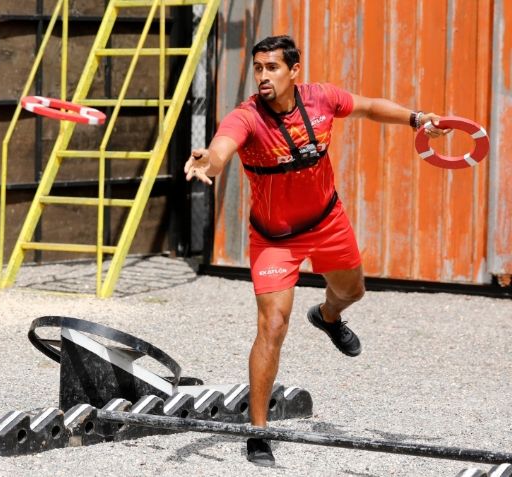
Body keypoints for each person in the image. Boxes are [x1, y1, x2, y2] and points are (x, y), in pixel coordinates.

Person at [184, 35, 450, 466]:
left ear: (294, 70)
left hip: (328, 222)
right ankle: (257, 432)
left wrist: (416, 118)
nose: (263, 76)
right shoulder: (246, 117)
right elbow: (221, 149)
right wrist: (207, 162)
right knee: (272, 324)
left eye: (272, 67)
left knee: (352, 291)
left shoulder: (321, 99)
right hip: (274, 239)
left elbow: (367, 106)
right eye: (258, 68)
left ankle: (327, 316)